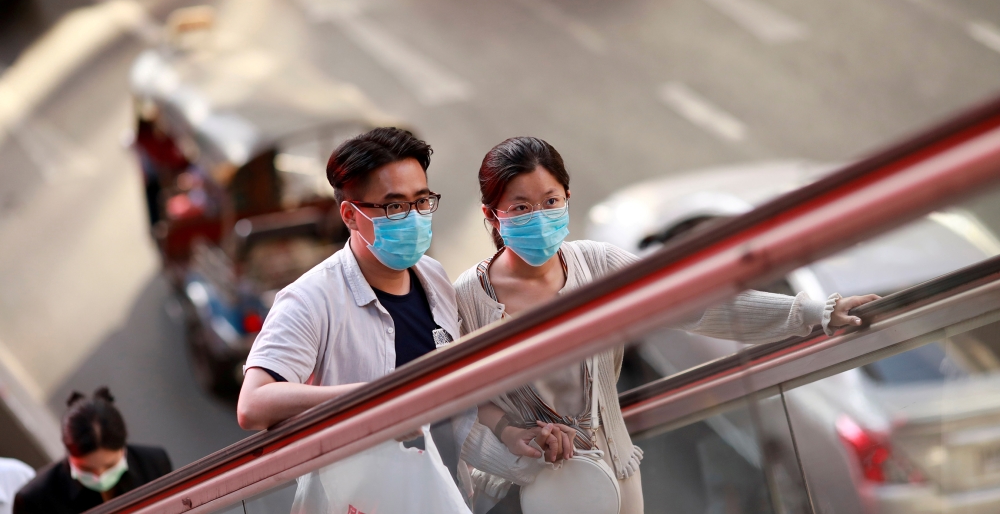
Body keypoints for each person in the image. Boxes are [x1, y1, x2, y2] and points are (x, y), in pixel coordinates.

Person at [455, 136, 879, 514]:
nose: (540, 218)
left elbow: (695, 303)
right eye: (522, 208)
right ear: (492, 216)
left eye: (551, 202)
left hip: (616, 474)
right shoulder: (468, 297)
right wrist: (512, 436)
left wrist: (812, 313)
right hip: (528, 490)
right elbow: (462, 401)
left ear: (567, 196)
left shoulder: (597, 264)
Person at [237, 127, 466, 470]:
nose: (414, 217)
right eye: (393, 206)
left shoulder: (433, 275)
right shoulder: (312, 299)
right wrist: (375, 401)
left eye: (421, 201)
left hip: (450, 491)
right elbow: (253, 404)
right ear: (350, 215)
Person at [14, 388, 172, 514]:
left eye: (110, 466)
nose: (100, 477)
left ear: (123, 447)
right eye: (87, 469)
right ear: (69, 453)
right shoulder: (36, 500)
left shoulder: (154, 463)